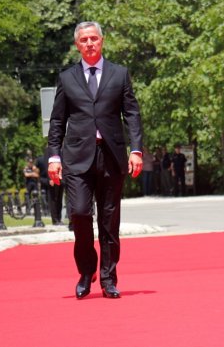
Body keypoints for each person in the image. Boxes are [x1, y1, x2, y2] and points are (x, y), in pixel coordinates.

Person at [48, 21, 143, 300]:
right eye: (84, 40)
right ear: (77, 45)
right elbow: (57, 120)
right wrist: (54, 156)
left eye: (94, 38)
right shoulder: (67, 78)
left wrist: (136, 150)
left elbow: (132, 115)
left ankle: (108, 278)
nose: (90, 43)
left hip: (111, 157)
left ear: (102, 41)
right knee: (79, 213)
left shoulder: (119, 74)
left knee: (109, 221)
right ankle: (86, 271)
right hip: (77, 158)